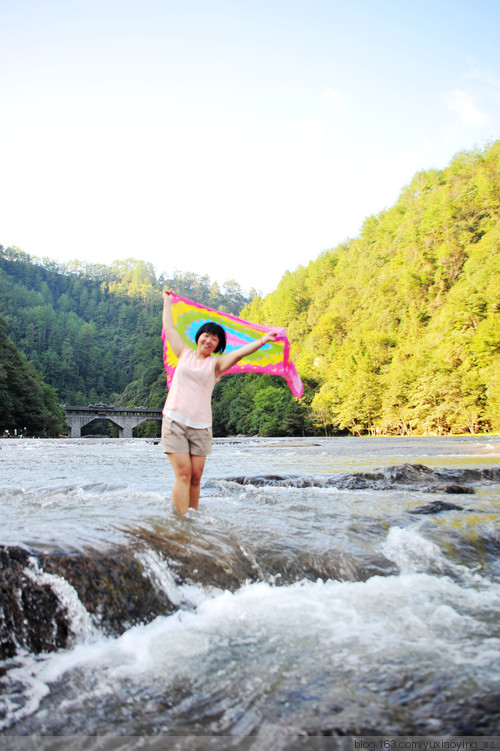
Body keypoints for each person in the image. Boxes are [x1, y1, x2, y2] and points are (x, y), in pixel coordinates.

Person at [161, 289, 277, 515]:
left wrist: (263, 340)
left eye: (214, 338)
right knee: (183, 473)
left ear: (218, 345)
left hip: (201, 426)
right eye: (206, 334)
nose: (209, 339)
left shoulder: (216, 365)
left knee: (196, 477)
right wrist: (167, 302)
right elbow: (169, 327)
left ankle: (193, 519)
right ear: (199, 336)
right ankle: (180, 522)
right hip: (174, 420)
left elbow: (241, 353)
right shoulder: (183, 353)